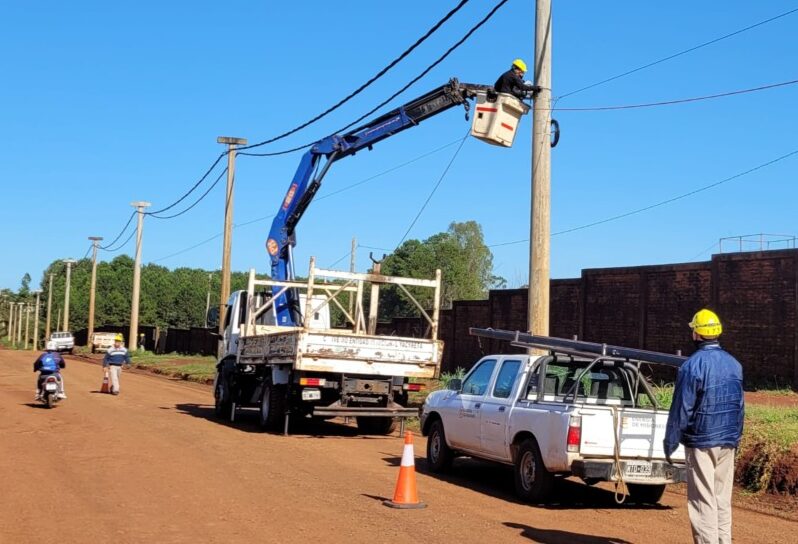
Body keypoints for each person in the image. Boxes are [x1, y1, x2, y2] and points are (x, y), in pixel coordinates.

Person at [664, 309, 744, 544]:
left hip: (701, 440)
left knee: (702, 500)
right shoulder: (735, 365)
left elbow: (682, 408)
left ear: (697, 334)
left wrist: (670, 441)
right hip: (728, 440)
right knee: (721, 499)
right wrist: (736, 437)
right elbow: (739, 406)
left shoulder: (692, 366)